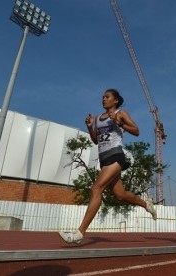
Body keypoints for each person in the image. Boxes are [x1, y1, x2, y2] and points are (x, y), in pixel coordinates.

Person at [59, 89, 157, 244]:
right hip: (104, 159)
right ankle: (146, 205)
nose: (104, 99)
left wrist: (119, 122)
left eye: (107, 97)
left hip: (116, 156)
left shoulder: (120, 113)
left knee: (96, 188)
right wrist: (90, 127)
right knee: (120, 194)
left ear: (115, 100)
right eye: (102, 97)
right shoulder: (97, 118)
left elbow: (136, 131)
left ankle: (79, 233)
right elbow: (96, 141)